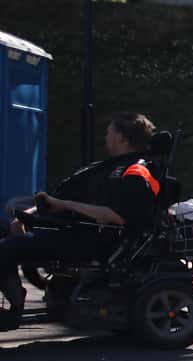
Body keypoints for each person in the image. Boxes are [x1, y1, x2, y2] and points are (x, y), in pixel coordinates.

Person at [2, 113, 162, 330]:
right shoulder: (109, 167)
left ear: (122, 138)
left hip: (88, 241)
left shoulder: (135, 171)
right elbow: (63, 200)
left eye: (110, 132)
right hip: (71, 231)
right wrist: (30, 214)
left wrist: (63, 205)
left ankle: (14, 308)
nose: (106, 136)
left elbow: (118, 215)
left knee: (6, 249)